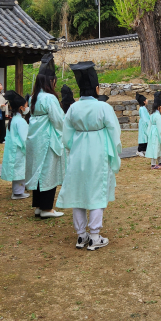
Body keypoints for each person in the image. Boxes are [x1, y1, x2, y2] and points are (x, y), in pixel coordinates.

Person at [56, 61, 122, 251]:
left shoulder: (73, 108)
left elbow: (66, 136)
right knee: (96, 191)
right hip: (98, 153)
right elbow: (114, 132)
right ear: (97, 88)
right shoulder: (103, 107)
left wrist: (75, 147)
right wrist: (114, 150)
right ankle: (94, 236)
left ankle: (81, 235)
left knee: (78, 192)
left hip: (78, 154)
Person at [25, 54, 66, 219]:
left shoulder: (34, 97)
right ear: (51, 81)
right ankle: (47, 208)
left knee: (38, 171)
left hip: (36, 139)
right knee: (48, 172)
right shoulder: (49, 98)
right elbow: (58, 120)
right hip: (47, 139)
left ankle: (39, 206)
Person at [1, 90, 30, 200]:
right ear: (21, 108)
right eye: (26, 106)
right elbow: (24, 138)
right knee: (19, 171)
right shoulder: (20, 121)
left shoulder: (13, 120)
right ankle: (18, 192)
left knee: (17, 170)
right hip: (19, 150)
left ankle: (17, 191)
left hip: (14, 149)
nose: (27, 108)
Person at [136, 93, 150, 158]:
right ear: (144, 101)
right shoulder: (142, 109)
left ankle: (144, 149)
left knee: (146, 137)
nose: (147, 100)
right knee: (143, 137)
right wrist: (148, 123)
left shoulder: (144, 108)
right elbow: (144, 118)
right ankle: (139, 150)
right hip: (143, 125)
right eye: (146, 99)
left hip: (146, 124)